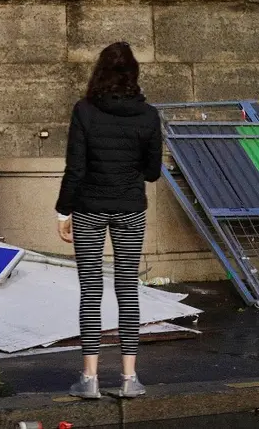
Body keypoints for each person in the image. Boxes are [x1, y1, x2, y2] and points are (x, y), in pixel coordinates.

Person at [55, 41, 163, 399]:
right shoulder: (148, 115)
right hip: (130, 208)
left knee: (91, 291)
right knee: (128, 289)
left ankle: (90, 378)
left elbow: (75, 168)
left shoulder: (84, 110)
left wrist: (63, 211)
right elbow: (152, 172)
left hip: (88, 208)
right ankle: (130, 378)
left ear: (99, 72)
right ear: (133, 74)